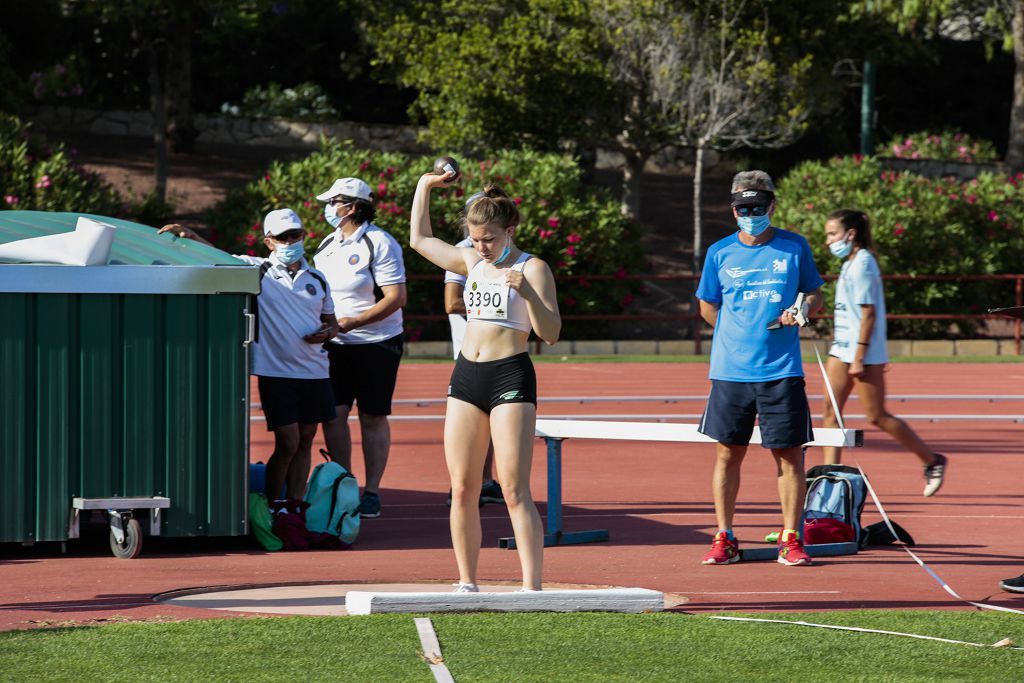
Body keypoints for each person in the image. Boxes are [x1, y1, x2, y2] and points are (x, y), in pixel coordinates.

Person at [409, 169, 560, 592]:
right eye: (475, 239)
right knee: (462, 487)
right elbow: (419, 240)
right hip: (466, 376)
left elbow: (550, 332)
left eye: (489, 238)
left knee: (513, 488)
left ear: (510, 230)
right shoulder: (471, 261)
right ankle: (467, 582)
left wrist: (527, 294)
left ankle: (532, 587)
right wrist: (424, 185)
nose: (481, 246)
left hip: (509, 374)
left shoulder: (533, 268)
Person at [158, 209, 339, 502]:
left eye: (296, 234)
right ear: (269, 242)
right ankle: (271, 504)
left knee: (306, 442)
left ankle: (293, 505)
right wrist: (190, 236)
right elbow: (220, 257)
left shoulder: (317, 278)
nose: (291, 241)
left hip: (315, 372)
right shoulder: (258, 270)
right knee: (288, 443)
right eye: (283, 237)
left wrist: (327, 332)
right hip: (276, 374)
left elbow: (333, 321)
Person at [695, 170, 825, 567]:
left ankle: (791, 537)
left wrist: (803, 309)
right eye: (743, 209)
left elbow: (815, 293)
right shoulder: (719, 252)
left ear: (772, 206)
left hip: (782, 370)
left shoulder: (794, 246)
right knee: (727, 455)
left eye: (758, 207)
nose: (751, 214)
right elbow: (707, 304)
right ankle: (725, 536)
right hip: (731, 372)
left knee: (789, 456)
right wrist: (736, 333)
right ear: (733, 211)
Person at [820, 209, 947, 495]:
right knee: (830, 411)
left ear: (850, 234)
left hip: (861, 353)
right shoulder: (848, 263)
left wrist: (859, 356)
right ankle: (829, 479)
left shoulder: (864, 263)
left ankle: (932, 460)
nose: (828, 241)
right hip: (841, 349)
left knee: (876, 415)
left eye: (832, 234)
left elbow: (869, 314)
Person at [313, 177, 407, 519]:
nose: (328, 208)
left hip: (377, 344)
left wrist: (349, 323)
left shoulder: (380, 243)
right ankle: (344, 484)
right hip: (334, 345)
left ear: (351, 207)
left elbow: (396, 298)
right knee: (334, 415)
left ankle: (372, 491)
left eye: (334, 202)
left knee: (372, 416)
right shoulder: (327, 243)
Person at [443, 191, 503, 508]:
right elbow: (451, 302)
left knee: (495, 421)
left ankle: (487, 480)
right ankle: (463, 483)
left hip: (501, 355)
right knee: (470, 425)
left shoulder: (512, 256)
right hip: (469, 353)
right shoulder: (463, 254)